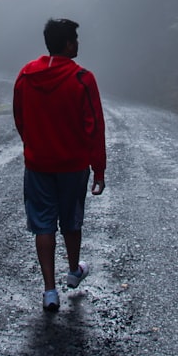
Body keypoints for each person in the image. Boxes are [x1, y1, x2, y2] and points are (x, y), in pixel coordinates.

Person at [13, 18, 106, 312]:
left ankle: (49, 291)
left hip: (38, 163)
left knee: (43, 223)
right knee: (71, 219)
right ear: (67, 44)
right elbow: (94, 127)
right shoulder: (82, 78)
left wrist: (33, 144)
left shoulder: (26, 75)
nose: (77, 44)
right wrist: (99, 169)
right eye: (75, 39)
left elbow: (20, 117)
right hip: (73, 164)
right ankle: (74, 271)